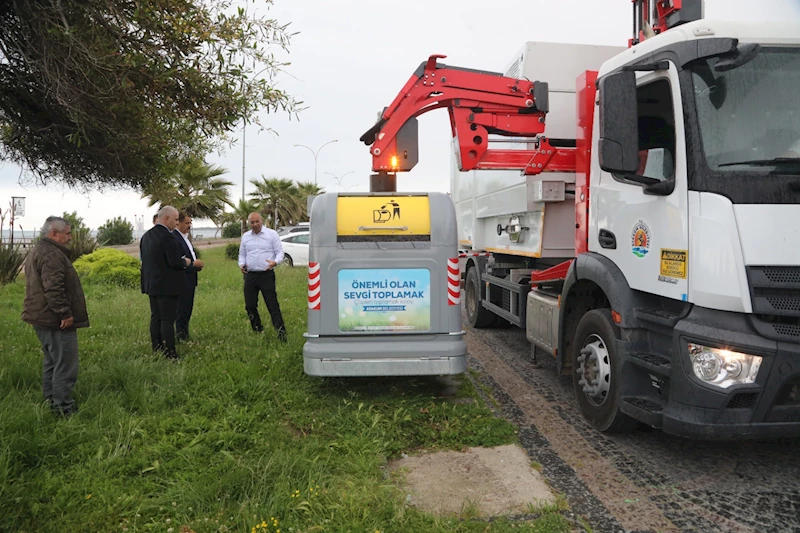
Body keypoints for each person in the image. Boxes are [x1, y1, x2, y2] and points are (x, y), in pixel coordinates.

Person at [21, 216, 89, 416]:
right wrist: (64, 314)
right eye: (67, 233)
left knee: (52, 361)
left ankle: (51, 400)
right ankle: (62, 409)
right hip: (53, 319)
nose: (70, 238)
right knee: (65, 364)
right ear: (54, 233)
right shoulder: (51, 254)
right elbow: (54, 289)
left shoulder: (40, 249)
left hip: (41, 316)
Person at [140, 206, 199, 359]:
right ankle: (170, 352)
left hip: (151, 284)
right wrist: (185, 262)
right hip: (167, 285)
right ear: (166, 219)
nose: (176, 222)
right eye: (175, 219)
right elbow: (174, 261)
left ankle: (157, 347)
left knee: (156, 317)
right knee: (167, 320)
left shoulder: (146, 236)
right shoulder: (168, 237)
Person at [238, 212, 287, 342]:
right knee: (250, 305)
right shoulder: (246, 237)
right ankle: (257, 329)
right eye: (252, 222)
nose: (255, 225)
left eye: (257, 222)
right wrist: (241, 264)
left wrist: (275, 262)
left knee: (272, 305)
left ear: (262, 221)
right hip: (250, 275)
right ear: (249, 223)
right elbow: (242, 254)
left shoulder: (271, 234)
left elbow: (279, 252)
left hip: (266, 275)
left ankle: (281, 333)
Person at [173, 212, 203, 341]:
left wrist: (196, 265)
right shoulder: (174, 238)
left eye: (190, 223)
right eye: (187, 223)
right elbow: (178, 261)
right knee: (181, 310)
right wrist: (192, 265)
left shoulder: (185, 238)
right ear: (178, 222)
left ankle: (184, 333)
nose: (189, 225)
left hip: (191, 278)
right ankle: (181, 336)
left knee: (187, 309)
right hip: (182, 280)